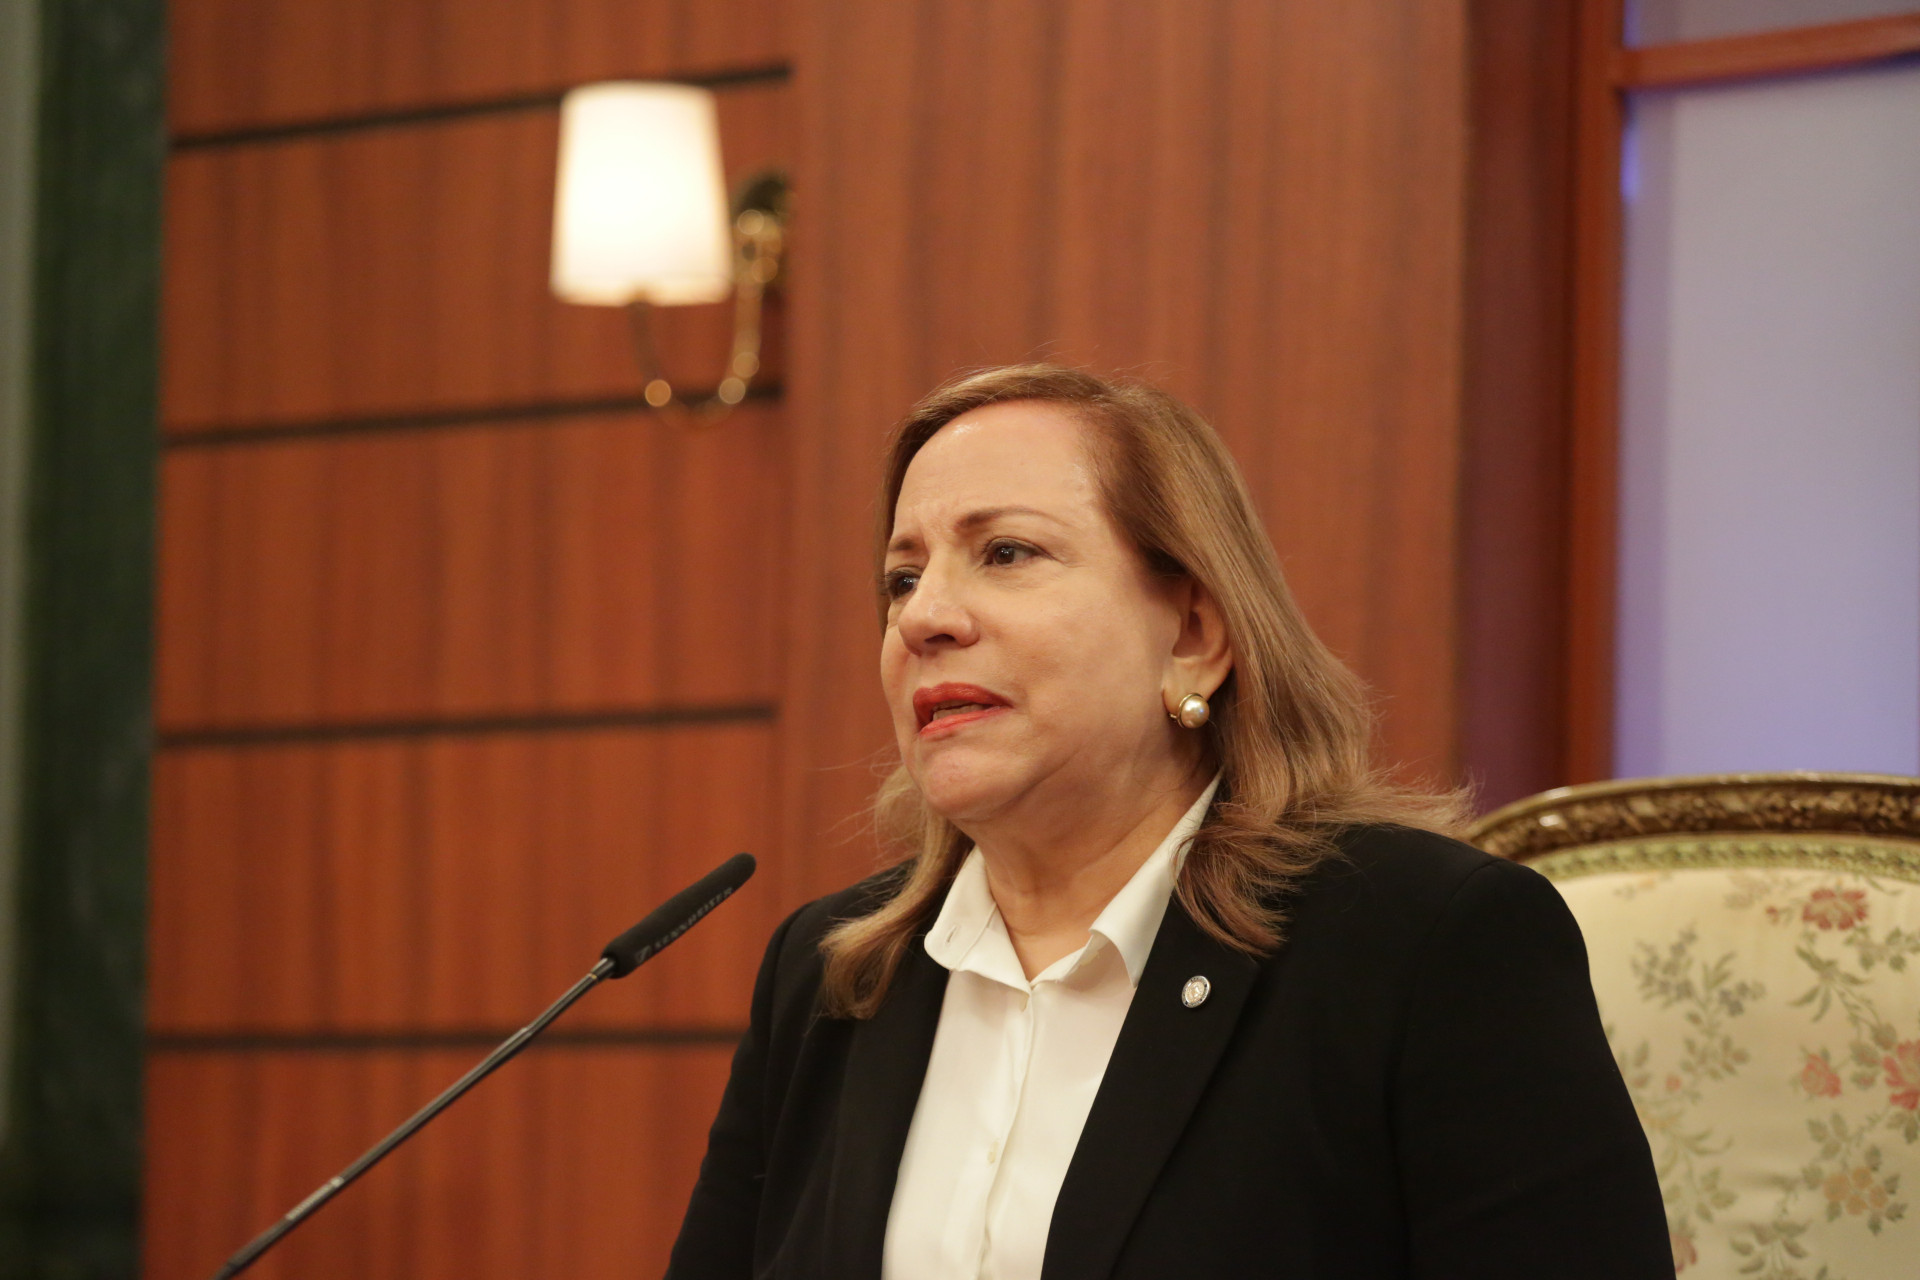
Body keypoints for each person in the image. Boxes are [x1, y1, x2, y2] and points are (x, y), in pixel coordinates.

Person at [665, 365, 1672, 1279]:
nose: (924, 617)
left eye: (1005, 552)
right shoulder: (833, 974)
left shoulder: (1425, 945)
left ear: (1192, 634)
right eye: (902, 578)